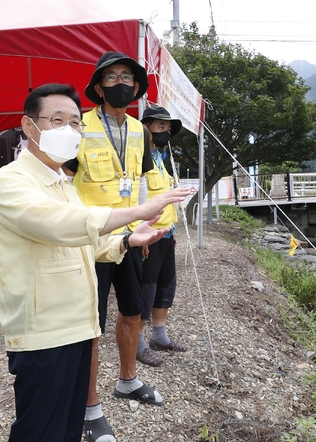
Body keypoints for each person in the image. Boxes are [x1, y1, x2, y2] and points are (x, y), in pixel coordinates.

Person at [0, 83, 190, 442]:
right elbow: (59, 226)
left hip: (79, 326)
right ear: (29, 126)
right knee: (40, 429)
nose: (69, 130)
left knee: (66, 426)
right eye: (57, 120)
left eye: (76, 123)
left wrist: (126, 239)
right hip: (44, 331)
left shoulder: (64, 183)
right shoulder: (11, 182)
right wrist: (139, 209)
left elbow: (84, 242)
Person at [65, 51, 157, 442]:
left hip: (131, 238)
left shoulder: (140, 130)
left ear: (136, 87)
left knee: (134, 313)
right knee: (92, 325)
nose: (120, 82)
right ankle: (89, 408)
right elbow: (64, 184)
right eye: (111, 76)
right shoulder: (77, 127)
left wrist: (145, 227)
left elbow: (139, 183)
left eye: (127, 77)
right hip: (92, 240)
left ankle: (127, 380)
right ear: (99, 86)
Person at [136, 105, 187, 368]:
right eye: (160, 127)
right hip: (148, 235)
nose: (165, 132)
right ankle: (138, 342)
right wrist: (139, 234)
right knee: (145, 289)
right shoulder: (138, 157)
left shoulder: (160, 158)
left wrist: (173, 231)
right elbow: (135, 197)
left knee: (165, 287)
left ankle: (159, 336)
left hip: (167, 234)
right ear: (146, 128)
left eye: (168, 129)